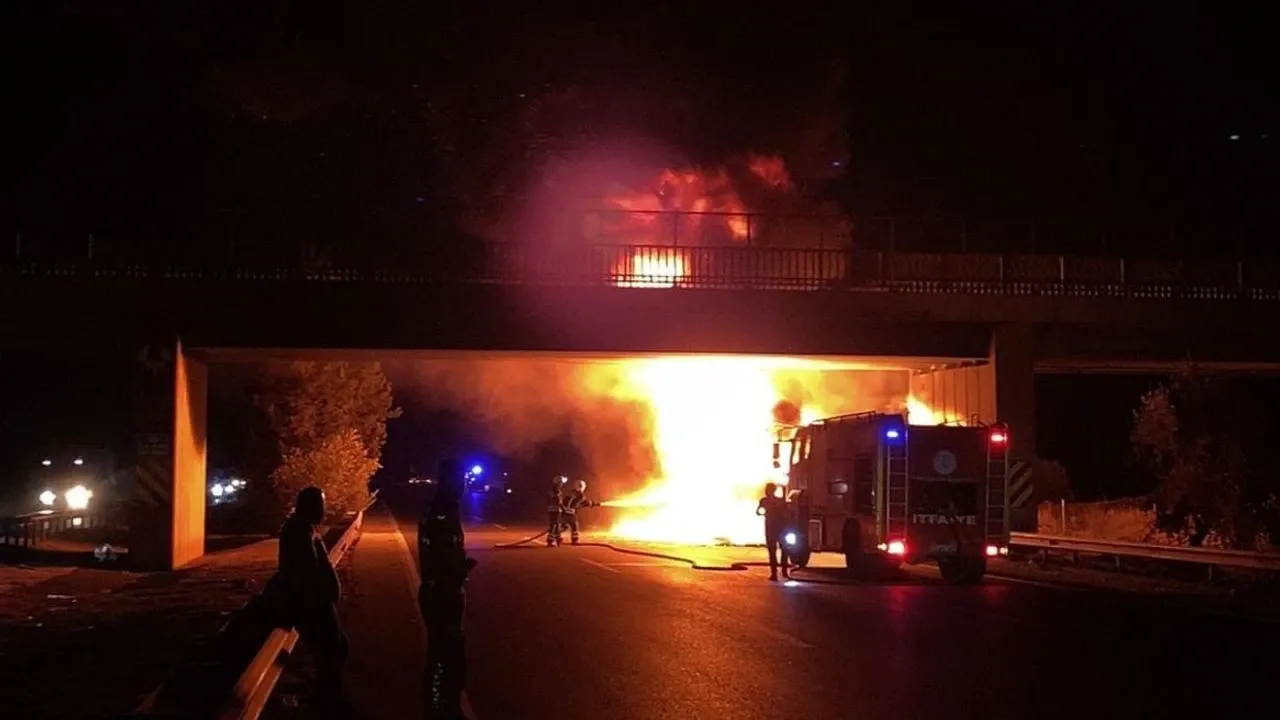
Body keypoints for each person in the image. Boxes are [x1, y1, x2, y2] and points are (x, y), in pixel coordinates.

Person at [278, 486, 351, 716]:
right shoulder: (298, 531)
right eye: (320, 505)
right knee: (330, 653)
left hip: (318, 604)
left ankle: (327, 700)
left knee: (336, 650)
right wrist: (320, 598)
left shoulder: (306, 528)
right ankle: (327, 704)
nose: (323, 510)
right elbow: (306, 573)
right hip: (313, 606)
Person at [418, 458, 478, 719]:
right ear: (449, 481)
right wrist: (459, 568)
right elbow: (441, 554)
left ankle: (444, 705)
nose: (463, 486)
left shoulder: (444, 508)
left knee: (448, 653)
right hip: (442, 592)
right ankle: (440, 708)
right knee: (446, 654)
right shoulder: (442, 511)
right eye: (460, 480)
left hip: (443, 589)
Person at [755, 482, 792, 581]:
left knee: (780, 551)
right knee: (777, 551)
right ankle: (778, 573)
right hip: (776, 529)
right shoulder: (768, 501)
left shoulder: (773, 501)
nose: (767, 491)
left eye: (768, 490)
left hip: (776, 528)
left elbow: (787, 514)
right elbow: (758, 512)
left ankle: (781, 573)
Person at [560, 478, 599, 546]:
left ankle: (556, 535)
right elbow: (584, 502)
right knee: (575, 526)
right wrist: (592, 503)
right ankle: (575, 540)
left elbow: (574, 504)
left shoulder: (569, 494)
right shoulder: (580, 496)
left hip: (563, 514)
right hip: (571, 514)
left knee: (564, 526)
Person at [546, 475, 568, 547]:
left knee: (556, 525)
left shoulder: (552, 490)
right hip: (556, 510)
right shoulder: (557, 491)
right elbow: (559, 502)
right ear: (558, 483)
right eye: (561, 483)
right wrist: (564, 509)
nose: (562, 484)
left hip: (552, 510)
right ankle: (550, 540)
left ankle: (558, 539)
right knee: (555, 525)